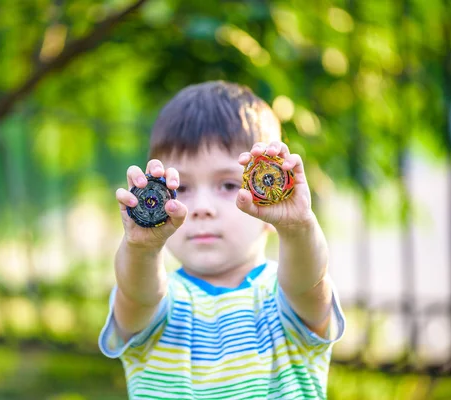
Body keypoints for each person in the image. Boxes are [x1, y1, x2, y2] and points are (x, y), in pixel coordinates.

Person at [99, 81, 345, 399]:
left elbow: (308, 283)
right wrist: (141, 247)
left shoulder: (285, 297)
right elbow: (138, 295)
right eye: (182, 188)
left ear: (270, 191)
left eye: (228, 185)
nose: (202, 208)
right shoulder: (158, 303)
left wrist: (298, 228)